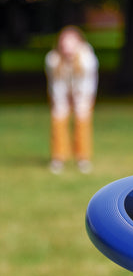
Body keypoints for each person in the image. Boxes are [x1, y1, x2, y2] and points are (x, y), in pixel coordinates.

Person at [45, 25, 99, 174]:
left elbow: (88, 83)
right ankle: (58, 158)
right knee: (58, 119)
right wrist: (62, 101)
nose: (67, 47)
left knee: (82, 121)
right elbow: (56, 84)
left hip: (83, 93)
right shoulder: (53, 59)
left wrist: (79, 99)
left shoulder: (87, 59)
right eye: (64, 42)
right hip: (60, 92)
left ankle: (83, 158)